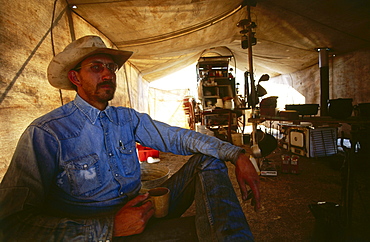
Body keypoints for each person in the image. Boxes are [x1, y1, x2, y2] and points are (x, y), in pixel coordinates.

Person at [0, 35, 260, 241]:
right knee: (201, 232)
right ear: (75, 77)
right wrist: (107, 229)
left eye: (111, 67)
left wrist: (236, 154)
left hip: (143, 211)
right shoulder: (48, 133)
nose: (108, 74)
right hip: (105, 232)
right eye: (96, 67)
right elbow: (10, 224)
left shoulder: (126, 118)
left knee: (208, 161)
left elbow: (178, 137)